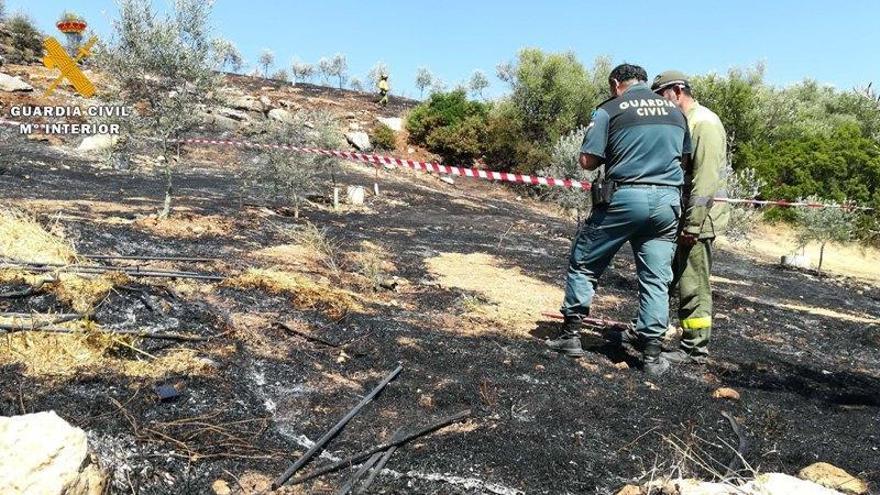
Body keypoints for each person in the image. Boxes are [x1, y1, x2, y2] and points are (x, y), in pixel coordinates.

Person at [546, 64, 691, 376]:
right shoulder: (676, 113)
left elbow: (587, 162)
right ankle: (652, 355)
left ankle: (571, 335)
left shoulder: (610, 110)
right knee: (656, 277)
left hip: (625, 198)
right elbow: (685, 158)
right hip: (667, 203)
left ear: (616, 83)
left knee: (585, 261)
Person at [651, 70, 730, 364]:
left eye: (661, 95)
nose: (659, 101)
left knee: (693, 283)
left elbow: (705, 182)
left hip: (699, 220)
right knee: (666, 276)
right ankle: (649, 330)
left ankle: (694, 348)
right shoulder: (684, 122)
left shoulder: (704, 123)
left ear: (677, 90)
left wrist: (693, 224)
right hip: (682, 217)